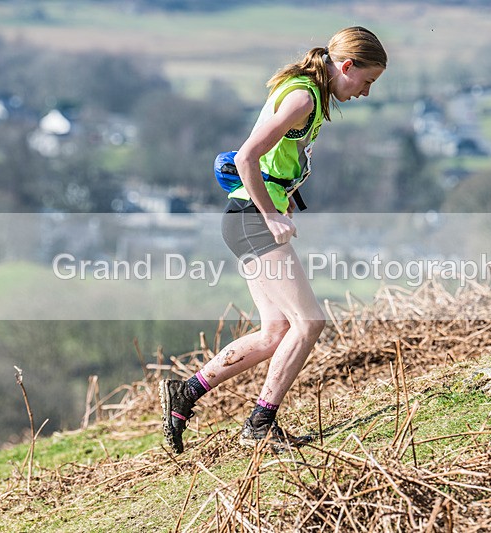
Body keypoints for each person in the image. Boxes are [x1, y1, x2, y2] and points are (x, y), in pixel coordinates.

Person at [160, 26, 387, 453]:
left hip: (243, 219)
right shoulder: (303, 97)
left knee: (275, 331)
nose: (366, 93)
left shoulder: (312, 97)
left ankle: (185, 394)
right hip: (252, 218)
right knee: (310, 322)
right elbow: (246, 156)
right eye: (367, 81)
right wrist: (272, 216)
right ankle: (260, 424)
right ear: (347, 66)